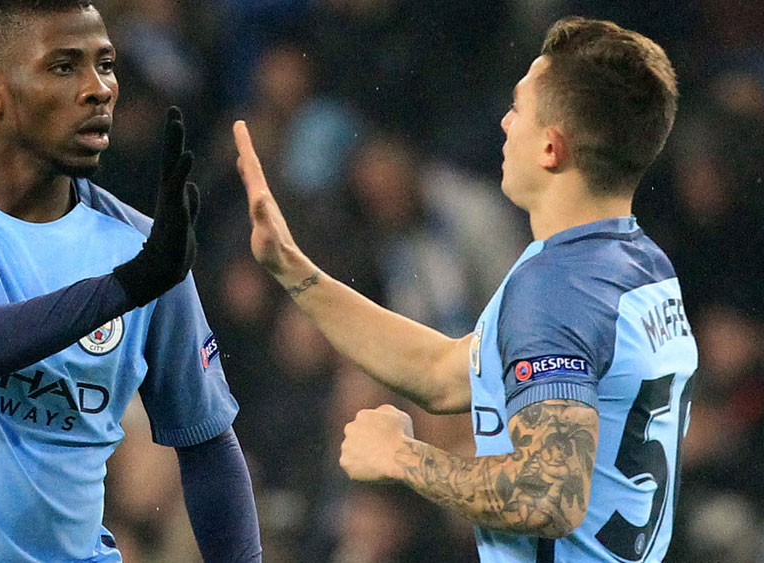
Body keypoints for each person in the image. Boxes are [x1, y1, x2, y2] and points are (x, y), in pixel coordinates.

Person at [234, 16, 696, 563]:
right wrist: (293, 269)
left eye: (518, 108)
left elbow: (548, 495)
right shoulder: (639, 267)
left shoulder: (554, 288)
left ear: (551, 147)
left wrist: (403, 457)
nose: (504, 122)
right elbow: (441, 373)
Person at [0, 1, 262, 561]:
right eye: (64, 67)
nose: (99, 90)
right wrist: (123, 288)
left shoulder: (142, 249)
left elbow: (207, 444)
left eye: (105, 64)